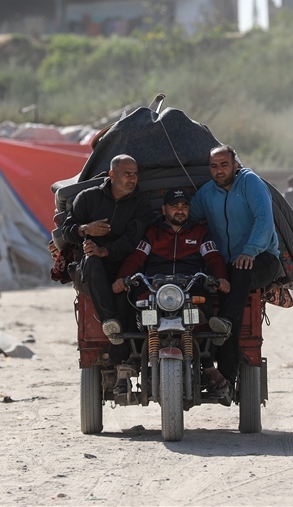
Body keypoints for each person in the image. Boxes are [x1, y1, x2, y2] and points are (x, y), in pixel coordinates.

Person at [116, 188, 231, 395]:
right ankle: (131, 358)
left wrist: (221, 278)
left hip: (189, 284)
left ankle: (208, 365)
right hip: (154, 285)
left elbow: (213, 258)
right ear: (164, 209)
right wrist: (122, 278)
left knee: (206, 310)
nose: (180, 211)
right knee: (134, 304)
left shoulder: (199, 232)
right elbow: (136, 258)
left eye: (184, 206)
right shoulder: (152, 233)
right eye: (174, 206)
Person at [189, 145, 281, 389]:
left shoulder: (250, 183)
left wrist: (249, 250)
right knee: (223, 289)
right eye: (214, 166)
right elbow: (186, 218)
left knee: (239, 278)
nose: (219, 170)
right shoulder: (206, 193)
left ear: (235, 165)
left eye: (224, 164)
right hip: (227, 265)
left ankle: (225, 323)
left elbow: (264, 219)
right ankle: (226, 376)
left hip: (261, 258)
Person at [60, 154, 149, 365]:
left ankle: (123, 365)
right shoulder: (88, 197)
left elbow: (131, 240)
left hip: (123, 266)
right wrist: (85, 230)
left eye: (135, 174)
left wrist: (104, 250)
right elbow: (67, 231)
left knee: (124, 296)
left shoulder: (140, 202)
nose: (132, 179)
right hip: (91, 271)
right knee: (91, 261)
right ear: (111, 175)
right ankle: (110, 321)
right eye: (127, 174)